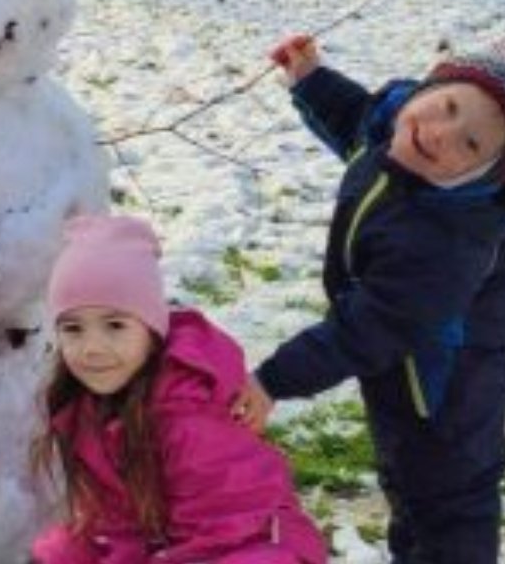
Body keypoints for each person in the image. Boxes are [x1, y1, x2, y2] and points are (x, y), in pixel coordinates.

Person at [235, 29, 505, 564]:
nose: (441, 134)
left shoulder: (445, 239)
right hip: (409, 352)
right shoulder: (396, 126)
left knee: (445, 496)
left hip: (446, 382)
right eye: (447, 107)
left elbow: (373, 325)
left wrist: (273, 379)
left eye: (470, 144)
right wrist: (311, 80)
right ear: (428, 87)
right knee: (407, 484)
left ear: (486, 173)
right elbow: (359, 122)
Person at [32, 214, 327, 564]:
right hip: (172, 542)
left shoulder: (187, 416)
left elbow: (225, 530)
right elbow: (117, 525)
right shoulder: (86, 408)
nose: (92, 347)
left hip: (250, 546)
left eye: (114, 325)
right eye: (73, 329)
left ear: (152, 329)